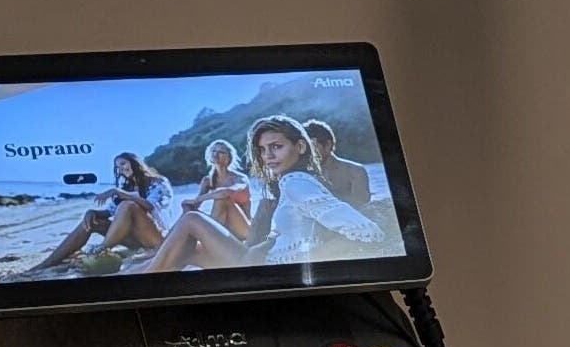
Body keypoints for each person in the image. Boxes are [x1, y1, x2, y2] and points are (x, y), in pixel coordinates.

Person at [133, 114, 387, 274]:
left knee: (191, 221)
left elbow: (355, 224)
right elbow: (307, 225)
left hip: (267, 267)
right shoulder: (295, 181)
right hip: (266, 257)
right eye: (264, 150)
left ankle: (140, 287)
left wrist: (362, 244)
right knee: (190, 251)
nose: (268, 157)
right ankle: (138, 276)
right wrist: (268, 240)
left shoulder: (295, 182)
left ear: (300, 147)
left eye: (276, 147)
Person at [29, 151, 171, 270]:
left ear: (134, 162)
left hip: (155, 238)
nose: (121, 169)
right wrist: (93, 212)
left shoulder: (158, 182)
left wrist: (121, 193)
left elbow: (153, 207)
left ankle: (101, 249)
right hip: (134, 240)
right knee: (93, 221)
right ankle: (47, 263)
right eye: (118, 167)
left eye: (123, 163)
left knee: (127, 205)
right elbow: (110, 212)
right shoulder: (127, 188)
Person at [182, 138, 251, 239]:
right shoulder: (207, 181)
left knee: (223, 200)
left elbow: (225, 192)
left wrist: (197, 199)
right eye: (214, 151)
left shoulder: (239, 178)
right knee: (189, 210)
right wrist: (187, 206)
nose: (216, 154)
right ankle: (168, 242)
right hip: (223, 228)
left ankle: (210, 239)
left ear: (229, 157)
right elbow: (195, 206)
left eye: (221, 152)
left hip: (243, 229)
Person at [301, 118, 374, 212]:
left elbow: (362, 204)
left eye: (313, 147)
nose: (309, 153)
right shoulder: (305, 175)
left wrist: (328, 191)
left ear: (327, 145)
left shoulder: (355, 171)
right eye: (306, 149)